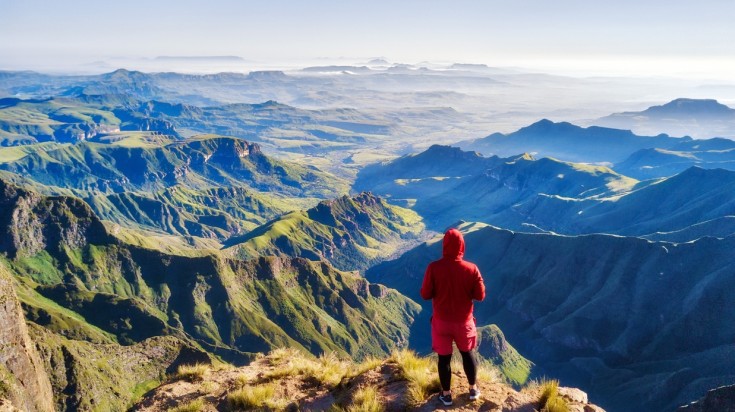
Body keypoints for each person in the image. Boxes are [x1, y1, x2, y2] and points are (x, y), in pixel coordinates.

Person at [420, 228, 486, 406]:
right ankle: (472, 389)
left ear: (445, 246)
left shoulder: (434, 268)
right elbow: (480, 296)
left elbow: (425, 294)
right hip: (464, 322)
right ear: (462, 245)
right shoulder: (472, 269)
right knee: (467, 354)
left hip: (441, 322)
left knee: (444, 359)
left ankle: (447, 395)